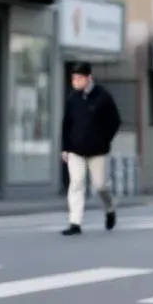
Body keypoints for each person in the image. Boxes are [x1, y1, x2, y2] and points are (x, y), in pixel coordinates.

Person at [60, 63, 121, 236]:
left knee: (100, 186)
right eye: (73, 78)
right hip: (75, 150)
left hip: (98, 151)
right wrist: (65, 148)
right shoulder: (73, 99)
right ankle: (75, 223)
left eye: (79, 78)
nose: (75, 82)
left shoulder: (103, 97)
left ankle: (110, 207)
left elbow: (115, 121)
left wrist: (104, 140)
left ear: (89, 78)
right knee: (76, 184)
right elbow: (66, 124)